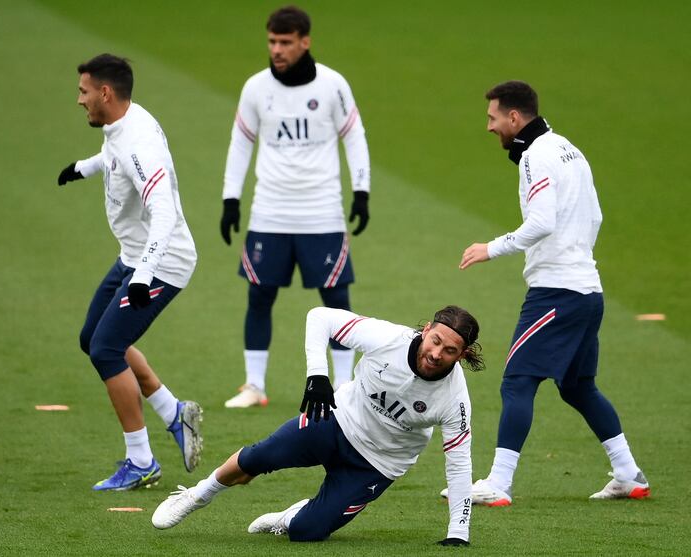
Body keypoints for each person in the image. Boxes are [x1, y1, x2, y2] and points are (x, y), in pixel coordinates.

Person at [450, 80, 649, 506]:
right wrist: (575, 255)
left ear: (514, 117)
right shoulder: (567, 148)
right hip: (587, 290)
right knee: (578, 387)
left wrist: (492, 248)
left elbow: (541, 223)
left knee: (518, 381)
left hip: (556, 293)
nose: (489, 127)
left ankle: (498, 484)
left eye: (492, 117)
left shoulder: (536, 156)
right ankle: (629, 474)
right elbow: (595, 215)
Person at [151, 305, 484, 545]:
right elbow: (319, 316)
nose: (436, 353)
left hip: (377, 466)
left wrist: (458, 532)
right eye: (435, 340)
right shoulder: (388, 338)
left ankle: (290, 517)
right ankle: (198, 495)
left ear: (462, 355)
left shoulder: (454, 399)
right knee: (257, 458)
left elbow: (458, 463)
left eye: (449, 350)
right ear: (426, 330)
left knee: (306, 533)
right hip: (335, 420)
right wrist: (317, 375)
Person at [56, 53, 202, 490]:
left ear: (104, 92)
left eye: (83, 91)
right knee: (94, 339)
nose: (79, 100)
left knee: (106, 350)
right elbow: (113, 156)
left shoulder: (139, 140)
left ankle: (141, 462)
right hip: (133, 254)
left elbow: (164, 213)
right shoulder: (121, 122)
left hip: (161, 262)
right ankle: (175, 413)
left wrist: (143, 276)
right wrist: (86, 167)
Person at [219, 6, 371, 408]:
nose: (277, 49)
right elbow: (241, 143)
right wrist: (230, 199)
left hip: (322, 211)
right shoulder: (255, 88)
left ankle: (343, 385)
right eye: (272, 41)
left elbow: (354, 137)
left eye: (285, 42)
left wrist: (362, 191)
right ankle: (254, 386)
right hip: (269, 211)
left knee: (336, 299)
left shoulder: (332, 85)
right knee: (259, 296)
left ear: (305, 41)